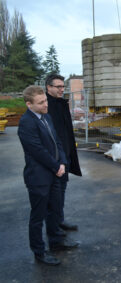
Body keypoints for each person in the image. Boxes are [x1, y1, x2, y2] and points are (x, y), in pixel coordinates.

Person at [18, 86, 79, 266]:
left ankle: (56, 241)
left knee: (55, 210)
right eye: (41, 103)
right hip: (39, 177)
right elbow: (37, 150)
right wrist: (55, 166)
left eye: (45, 100)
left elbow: (57, 141)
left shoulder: (46, 116)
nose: (46, 104)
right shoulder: (26, 123)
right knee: (38, 216)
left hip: (55, 172)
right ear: (29, 104)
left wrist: (62, 162)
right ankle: (39, 252)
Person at [45, 74, 82, 232]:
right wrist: (55, 160)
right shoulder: (47, 106)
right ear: (49, 88)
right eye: (58, 87)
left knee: (62, 191)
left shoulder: (61, 103)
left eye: (63, 86)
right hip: (54, 159)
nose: (62, 89)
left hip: (65, 156)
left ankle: (59, 221)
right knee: (54, 195)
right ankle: (54, 230)